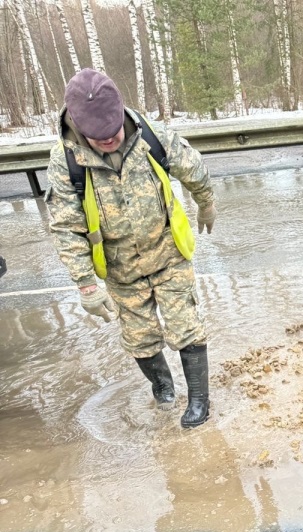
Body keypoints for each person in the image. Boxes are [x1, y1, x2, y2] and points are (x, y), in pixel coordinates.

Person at [45, 68, 217, 428]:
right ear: (79, 127)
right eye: (99, 138)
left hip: (168, 254)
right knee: (140, 339)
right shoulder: (66, 160)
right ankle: (163, 387)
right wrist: (85, 285)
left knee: (185, 326)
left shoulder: (151, 136)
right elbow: (66, 225)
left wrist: (206, 202)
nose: (109, 141)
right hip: (120, 269)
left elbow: (193, 168)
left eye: (113, 133)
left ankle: (199, 400)